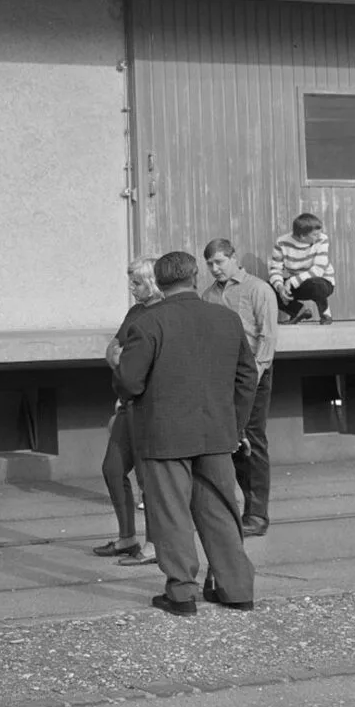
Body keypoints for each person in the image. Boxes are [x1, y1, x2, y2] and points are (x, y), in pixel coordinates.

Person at [115, 251, 258, 617]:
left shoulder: (148, 323)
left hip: (163, 436)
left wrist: (118, 364)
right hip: (217, 433)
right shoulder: (227, 319)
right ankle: (236, 588)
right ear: (195, 276)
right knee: (222, 512)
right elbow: (247, 378)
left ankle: (181, 593)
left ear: (159, 283)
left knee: (171, 514)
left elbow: (129, 383)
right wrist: (236, 424)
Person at [203, 238, 279, 538]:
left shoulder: (258, 289)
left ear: (234, 258)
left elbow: (268, 337)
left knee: (253, 441)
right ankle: (237, 510)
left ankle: (257, 515)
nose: (214, 268)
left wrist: (255, 376)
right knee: (231, 439)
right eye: (209, 264)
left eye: (219, 261)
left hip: (254, 374)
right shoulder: (208, 295)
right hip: (223, 375)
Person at [95, 257, 163, 566]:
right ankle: (126, 537)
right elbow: (112, 350)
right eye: (131, 282)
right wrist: (122, 361)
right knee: (112, 468)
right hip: (127, 402)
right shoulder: (135, 312)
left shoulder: (162, 312)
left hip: (150, 407)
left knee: (149, 479)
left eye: (137, 283)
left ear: (153, 282)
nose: (131, 288)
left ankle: (154, 543)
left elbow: (144, 362)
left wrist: (124, 359)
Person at [268, 212, 336, 325]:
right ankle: (298, 311)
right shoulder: (281, 242)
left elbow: (318, 270)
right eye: (315, 235)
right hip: (297, 284)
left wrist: (291, 282)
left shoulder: (322, 239)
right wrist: (280, 288)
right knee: (267, 289)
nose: (319, 236)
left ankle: (325, 314)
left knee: (316, 284)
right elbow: (275, 269)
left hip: (322, 282)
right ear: (303, 236)